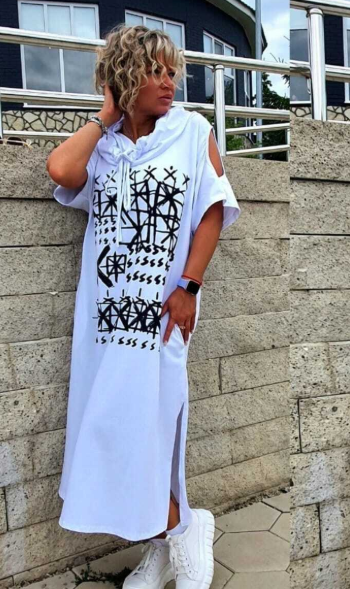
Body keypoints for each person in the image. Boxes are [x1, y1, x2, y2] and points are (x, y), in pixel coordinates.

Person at [46, 24, 239, 589]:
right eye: (155, 71)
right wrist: (106, 114)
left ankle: (181, 529)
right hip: (105, 321)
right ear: (125, 76)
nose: (170, 81)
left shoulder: (192, 132)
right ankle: (170, 538)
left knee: (153, 428)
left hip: (164, 316)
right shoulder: (103, 146)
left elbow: (212, 210)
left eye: (172, 71)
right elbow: (61, 170)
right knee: (111, 430)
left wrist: (190, 286)